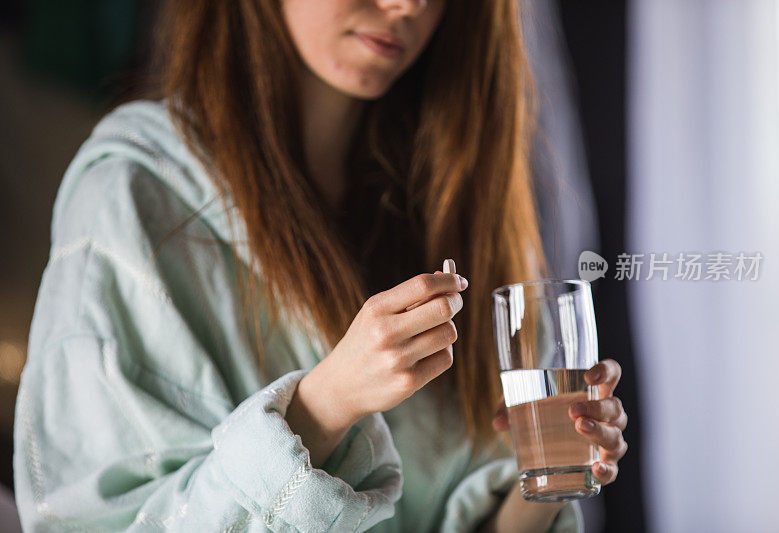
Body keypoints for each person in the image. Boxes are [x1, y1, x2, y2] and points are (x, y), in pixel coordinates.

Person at [13, 0, 628, 531]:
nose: (409, 5)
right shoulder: (135, 194)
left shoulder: (457, 206)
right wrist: (326, 404)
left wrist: (547, 479)